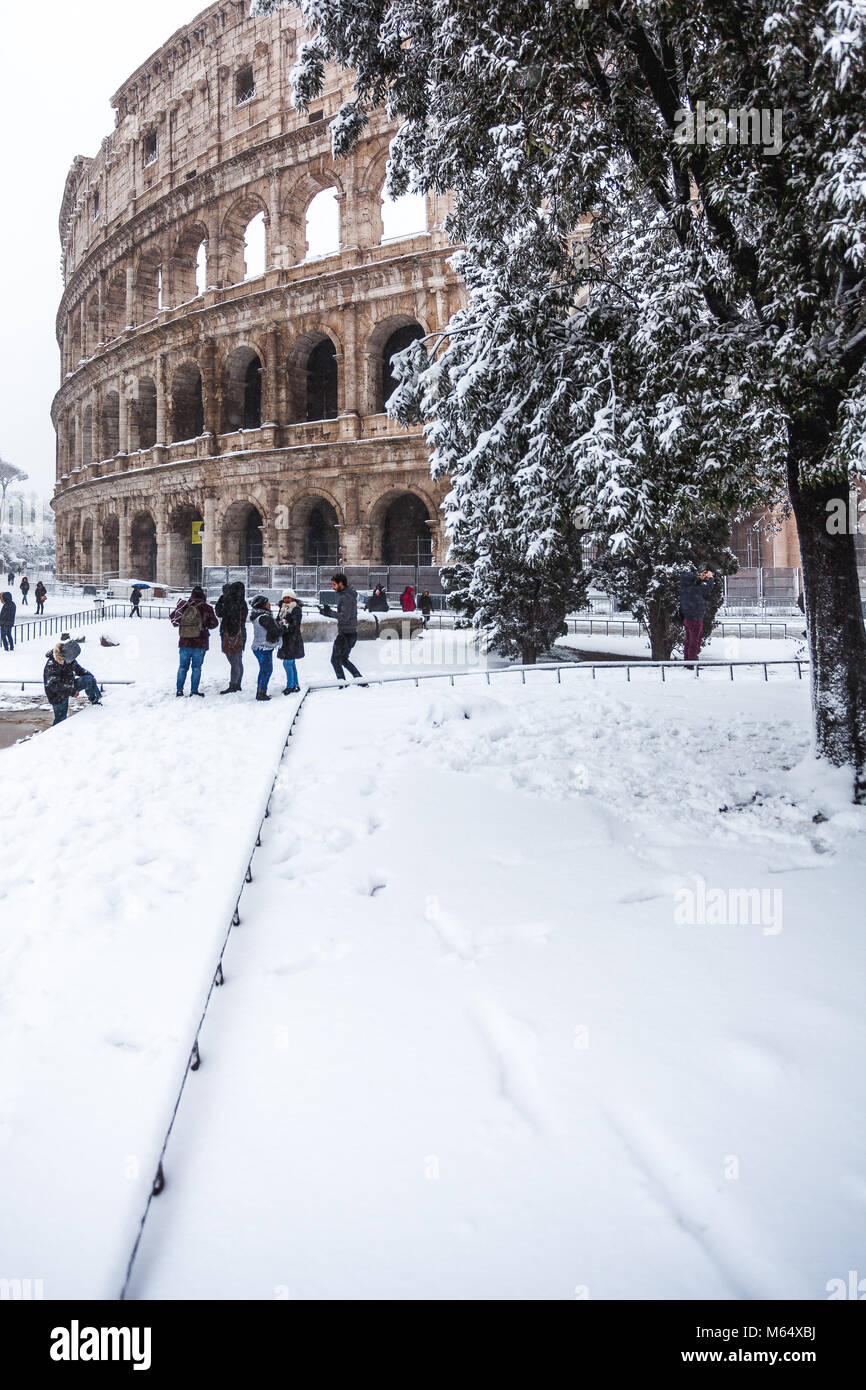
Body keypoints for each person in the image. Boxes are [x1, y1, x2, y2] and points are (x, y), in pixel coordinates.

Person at [170, 584, 218, 696]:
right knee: (196, 668)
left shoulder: (184, 605)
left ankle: (179, 690)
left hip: (184, 642)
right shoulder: (207, 607)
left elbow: (174, 620)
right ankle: (194, 690)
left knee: (182, 667)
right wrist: (204, 626)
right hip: (200, 643)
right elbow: (215, 624)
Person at [43, 638, 102, 725]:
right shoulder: (52, 664)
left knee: (89, 679)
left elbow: (80, 670)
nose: (74, 659)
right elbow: (54, 685)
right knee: (61, 720)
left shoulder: (69, 660)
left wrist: (92, 677)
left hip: (69, 685)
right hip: (57, 694)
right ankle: (55, 735)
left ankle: (95, 701)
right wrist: (72, 691)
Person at [320, 572, 364, 682]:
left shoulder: (346, 597)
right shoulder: (348, 595)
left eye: (334, 585)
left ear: (341, 584)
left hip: (345, 635)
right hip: (350, 633)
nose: (333, 587)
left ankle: (343, 683)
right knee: (343, 659)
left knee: (335, 660)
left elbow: (344, 617)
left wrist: (329, 613)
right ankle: (360, 681)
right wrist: (327, 612)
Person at [678, 567, 717, 664]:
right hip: (695, 619)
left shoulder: (684, 590)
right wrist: (711, 578)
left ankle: (687, 660)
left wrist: (700, 579)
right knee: (694, 642)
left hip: (687, 619)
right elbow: (708, 589)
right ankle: (692, 663)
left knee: (688, 640)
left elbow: (693, 587)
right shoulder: (694, 590)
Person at [214, 580, 248, 692]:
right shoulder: (242, 602)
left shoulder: (229, 601)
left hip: (230, 633)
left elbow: (220, 613)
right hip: (241, 632)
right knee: (238, 659)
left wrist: (220, 602)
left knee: (233, 660)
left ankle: (234, 684)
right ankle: (237, 683)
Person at [250, 595, 281, 700]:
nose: (269, 604)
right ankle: (261, 693)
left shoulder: (259, 616)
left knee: (264, 670)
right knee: (266, 670)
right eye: (267, 602)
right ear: (262, 604)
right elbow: (274, 631)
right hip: (263, 648)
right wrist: (283, 628)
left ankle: (261, 691)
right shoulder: (264, 617)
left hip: (259, 646)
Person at [276, 588, 305, 694]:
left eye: (288, 597)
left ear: (293, 598)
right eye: (284, 598)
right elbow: (278, 620)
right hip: (285, 639)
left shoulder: (296, 609)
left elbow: (295, 624)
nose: (286, 599)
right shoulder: (282, 608)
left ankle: (290, 686)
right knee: (290, 663)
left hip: (293, 640)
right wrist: (282, 622)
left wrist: (285, 623)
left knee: (287, 663)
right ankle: (295, 684)